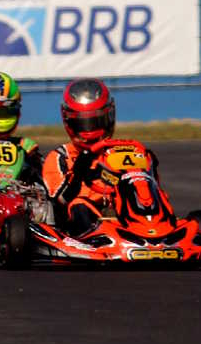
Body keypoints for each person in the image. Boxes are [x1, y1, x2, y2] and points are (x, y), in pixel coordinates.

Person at [42, 78, 159, 236]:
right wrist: (78, 172)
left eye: (96, 121)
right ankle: (97, 235)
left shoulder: (124, 152)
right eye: (83, 124)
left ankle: (157, 225)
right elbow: (61, 200)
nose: (90, 130)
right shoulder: (60, 157)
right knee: (79, 205)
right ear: (69, 121)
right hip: (79, 225)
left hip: (124, 213)